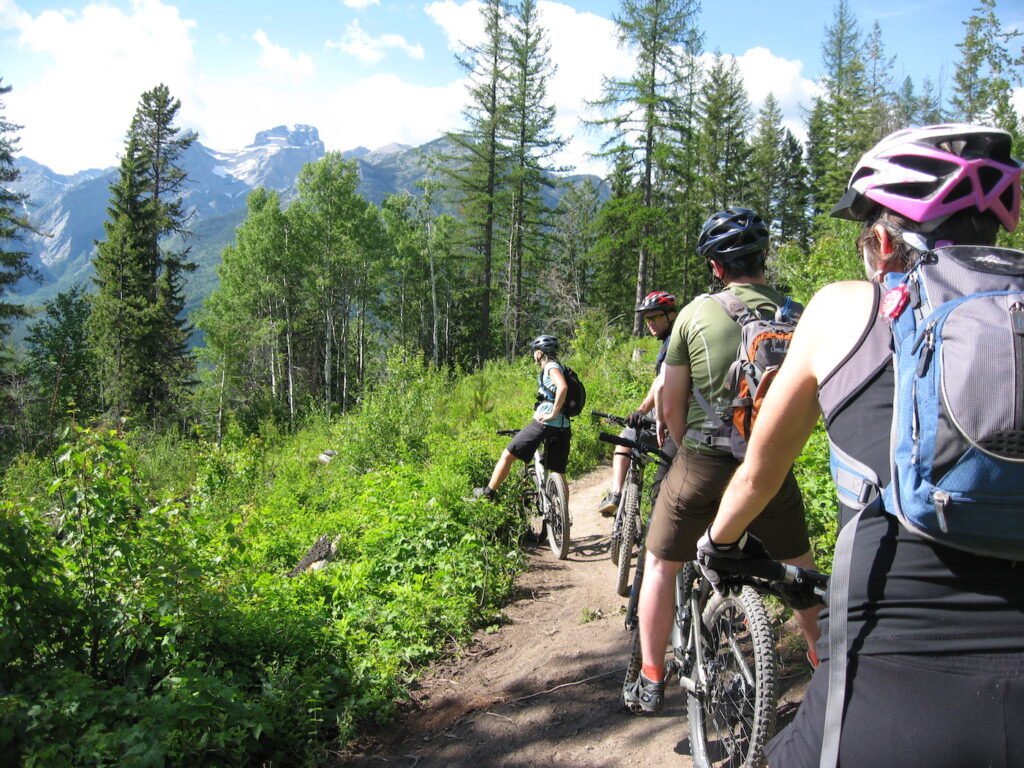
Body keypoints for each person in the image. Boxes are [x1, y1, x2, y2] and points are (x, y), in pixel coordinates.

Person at [698, 124, 1024, 767]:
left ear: (880, 241)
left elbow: (760, 472)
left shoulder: (845, 308)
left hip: (892, 690)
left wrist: (721, 542)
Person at [624, 207, 821, 714]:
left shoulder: (694, 313)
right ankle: (826, 663)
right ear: (763, 258)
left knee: (661, 565)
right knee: (798, 566)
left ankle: (650, 677)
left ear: (716, 267)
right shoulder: (799, 313)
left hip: (704, 460)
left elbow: (670, 409)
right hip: (771, 466)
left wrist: (680, 435)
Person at [595, 291, 679, 516]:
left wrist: (657, 417)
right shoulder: (668, 342)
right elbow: (658, 382)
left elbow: (663, 386)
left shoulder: (676, 342)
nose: (650, 323)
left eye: (655, 318)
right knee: (629, 434)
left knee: (626, 438)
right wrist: (642, 409)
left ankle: (617, 493)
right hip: (668, 413)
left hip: (674, 417)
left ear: (671, 315)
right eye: (647, 319)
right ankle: (620, 497)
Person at [474, 334, 572, 501]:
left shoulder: (550, 367)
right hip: (563, 427)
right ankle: (563, 516)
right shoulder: (559, 366)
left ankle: (488, 494)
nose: (534, 354)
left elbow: (562, 387)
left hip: (545, 424)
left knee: (507, 455)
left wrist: (552, 413)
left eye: (535, 351)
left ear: (540, 353)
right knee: (559, 473)